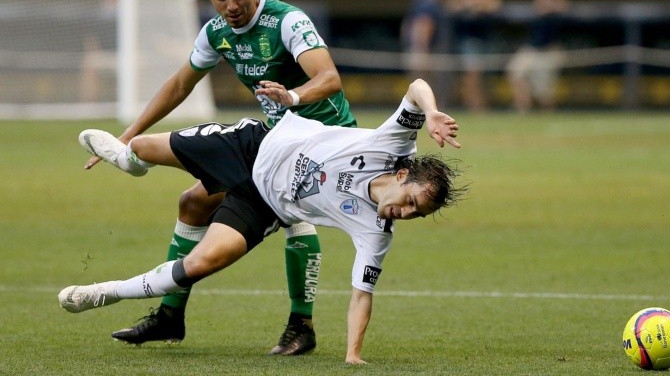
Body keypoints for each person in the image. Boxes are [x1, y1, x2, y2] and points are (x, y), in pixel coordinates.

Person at [61, 78, 465, 365]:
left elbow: (362, 294)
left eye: (417, 215)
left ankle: (104, 292)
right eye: (411, 201)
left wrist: (352, 354)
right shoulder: (393, 144)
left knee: (202, 264)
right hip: (253, 147)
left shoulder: (376, 233)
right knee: (142, 147)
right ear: (401, 176)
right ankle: (129, 163)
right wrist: (430, 113)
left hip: (266, 202)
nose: (406, 213)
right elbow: (416, 86)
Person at [81, 0, 356, 355]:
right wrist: (127, 135)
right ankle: (170, 315)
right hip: (275, 143)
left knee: (294, 217)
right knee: (192, 202)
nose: (232, 6)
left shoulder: (287, 21)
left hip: (325, 143)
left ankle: (301, 324)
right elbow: (179, 84)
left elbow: (329, 79)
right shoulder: (216, 32)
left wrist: (292, 98)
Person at [506, 0, 569, 113]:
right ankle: (523, 108)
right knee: (516, 72)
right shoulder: (534, 3)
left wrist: (550, 5)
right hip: (531, 48)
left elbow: (562, 6)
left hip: (549, 49)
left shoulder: (557, 1)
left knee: (543, 92)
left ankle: (548, 113)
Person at [444, 0, 502, 110]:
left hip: (486, 42)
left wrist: (479, 3)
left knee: (486, 78)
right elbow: (449, 5)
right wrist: (468, 3)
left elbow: (494, 5)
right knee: (471, 76)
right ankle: (475, 108)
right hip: (468, 43)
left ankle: (484, 106)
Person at [400, 0, 452, 105]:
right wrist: (421, 50)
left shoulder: (422, 1)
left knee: (423, 90)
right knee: (428, 89)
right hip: (426, 52)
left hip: (419, 50)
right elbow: (423, 25)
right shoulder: (428, 2)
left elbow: (406, 27)